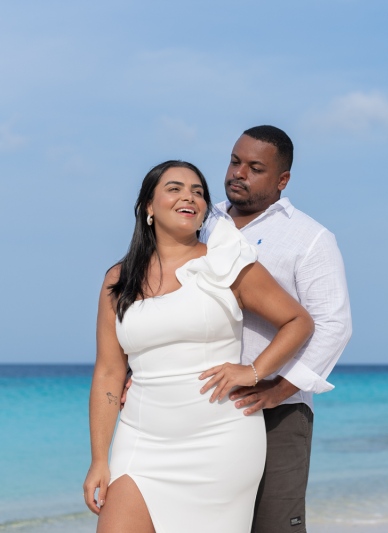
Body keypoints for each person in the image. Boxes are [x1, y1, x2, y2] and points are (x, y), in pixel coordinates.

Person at [83, 160, 314, 532]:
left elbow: (298, 321)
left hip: (220, 441)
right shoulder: (119, 277)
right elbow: (109, 371)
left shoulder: (225, 263)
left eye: (198, 192)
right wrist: (98, 459)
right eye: (174, 188)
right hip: (141, 440)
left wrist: (254, 371)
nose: (189, 197)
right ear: (148, 207)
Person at [203, 125, 352, 533]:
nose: (238, 173)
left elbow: (334, 325)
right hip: (202, 405)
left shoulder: (310, 238)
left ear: (282, 179)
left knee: (274, 526)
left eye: (255, 168)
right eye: (235, 162)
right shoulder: (202, 222)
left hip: (277, 412)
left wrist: (279, 389)